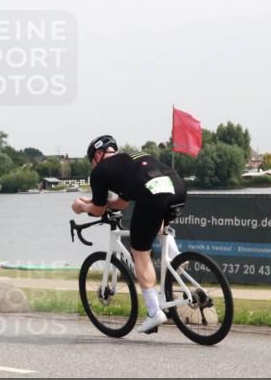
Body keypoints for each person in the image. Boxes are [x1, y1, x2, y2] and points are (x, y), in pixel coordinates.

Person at [72, 135, 186, 335]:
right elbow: (121, 203)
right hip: (177, 187)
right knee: (156, 224)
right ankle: (177, 259)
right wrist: (100, 203)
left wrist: (81, 207)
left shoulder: (100, 171)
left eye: (92, 162)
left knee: (139, 251)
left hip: (153, 195)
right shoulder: (131, 158)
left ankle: (153, 312)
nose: (93, 166)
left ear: (98, 155)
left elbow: (97, 210)